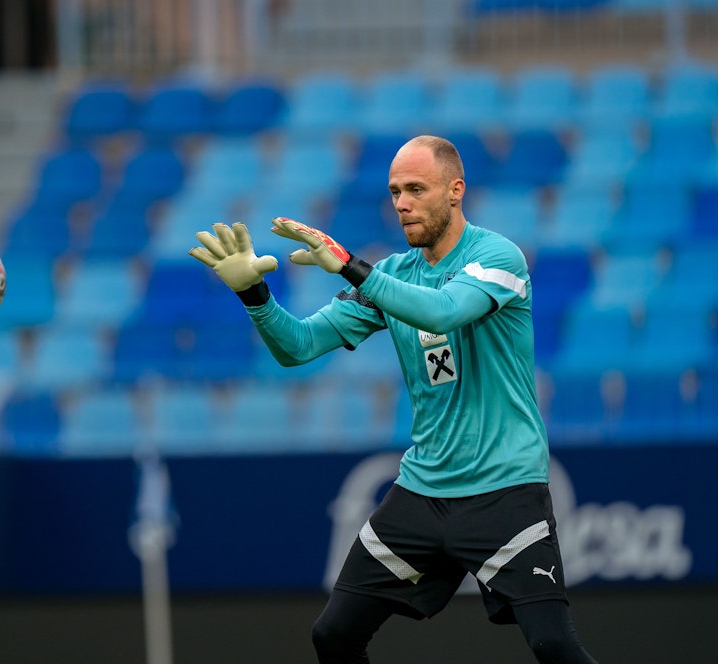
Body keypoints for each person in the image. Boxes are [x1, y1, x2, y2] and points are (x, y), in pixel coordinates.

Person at [189, 135, 599, 664]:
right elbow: (299, 346)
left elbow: (443, 312)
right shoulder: (393, 277)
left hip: (504, 490)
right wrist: (253, 294)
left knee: (553, 645)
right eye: (394, 191)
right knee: (332, 635)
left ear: (455, 191)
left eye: (416, 189)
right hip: (423, 493)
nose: (402, 202)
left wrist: (350, 266)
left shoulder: (499, 256)